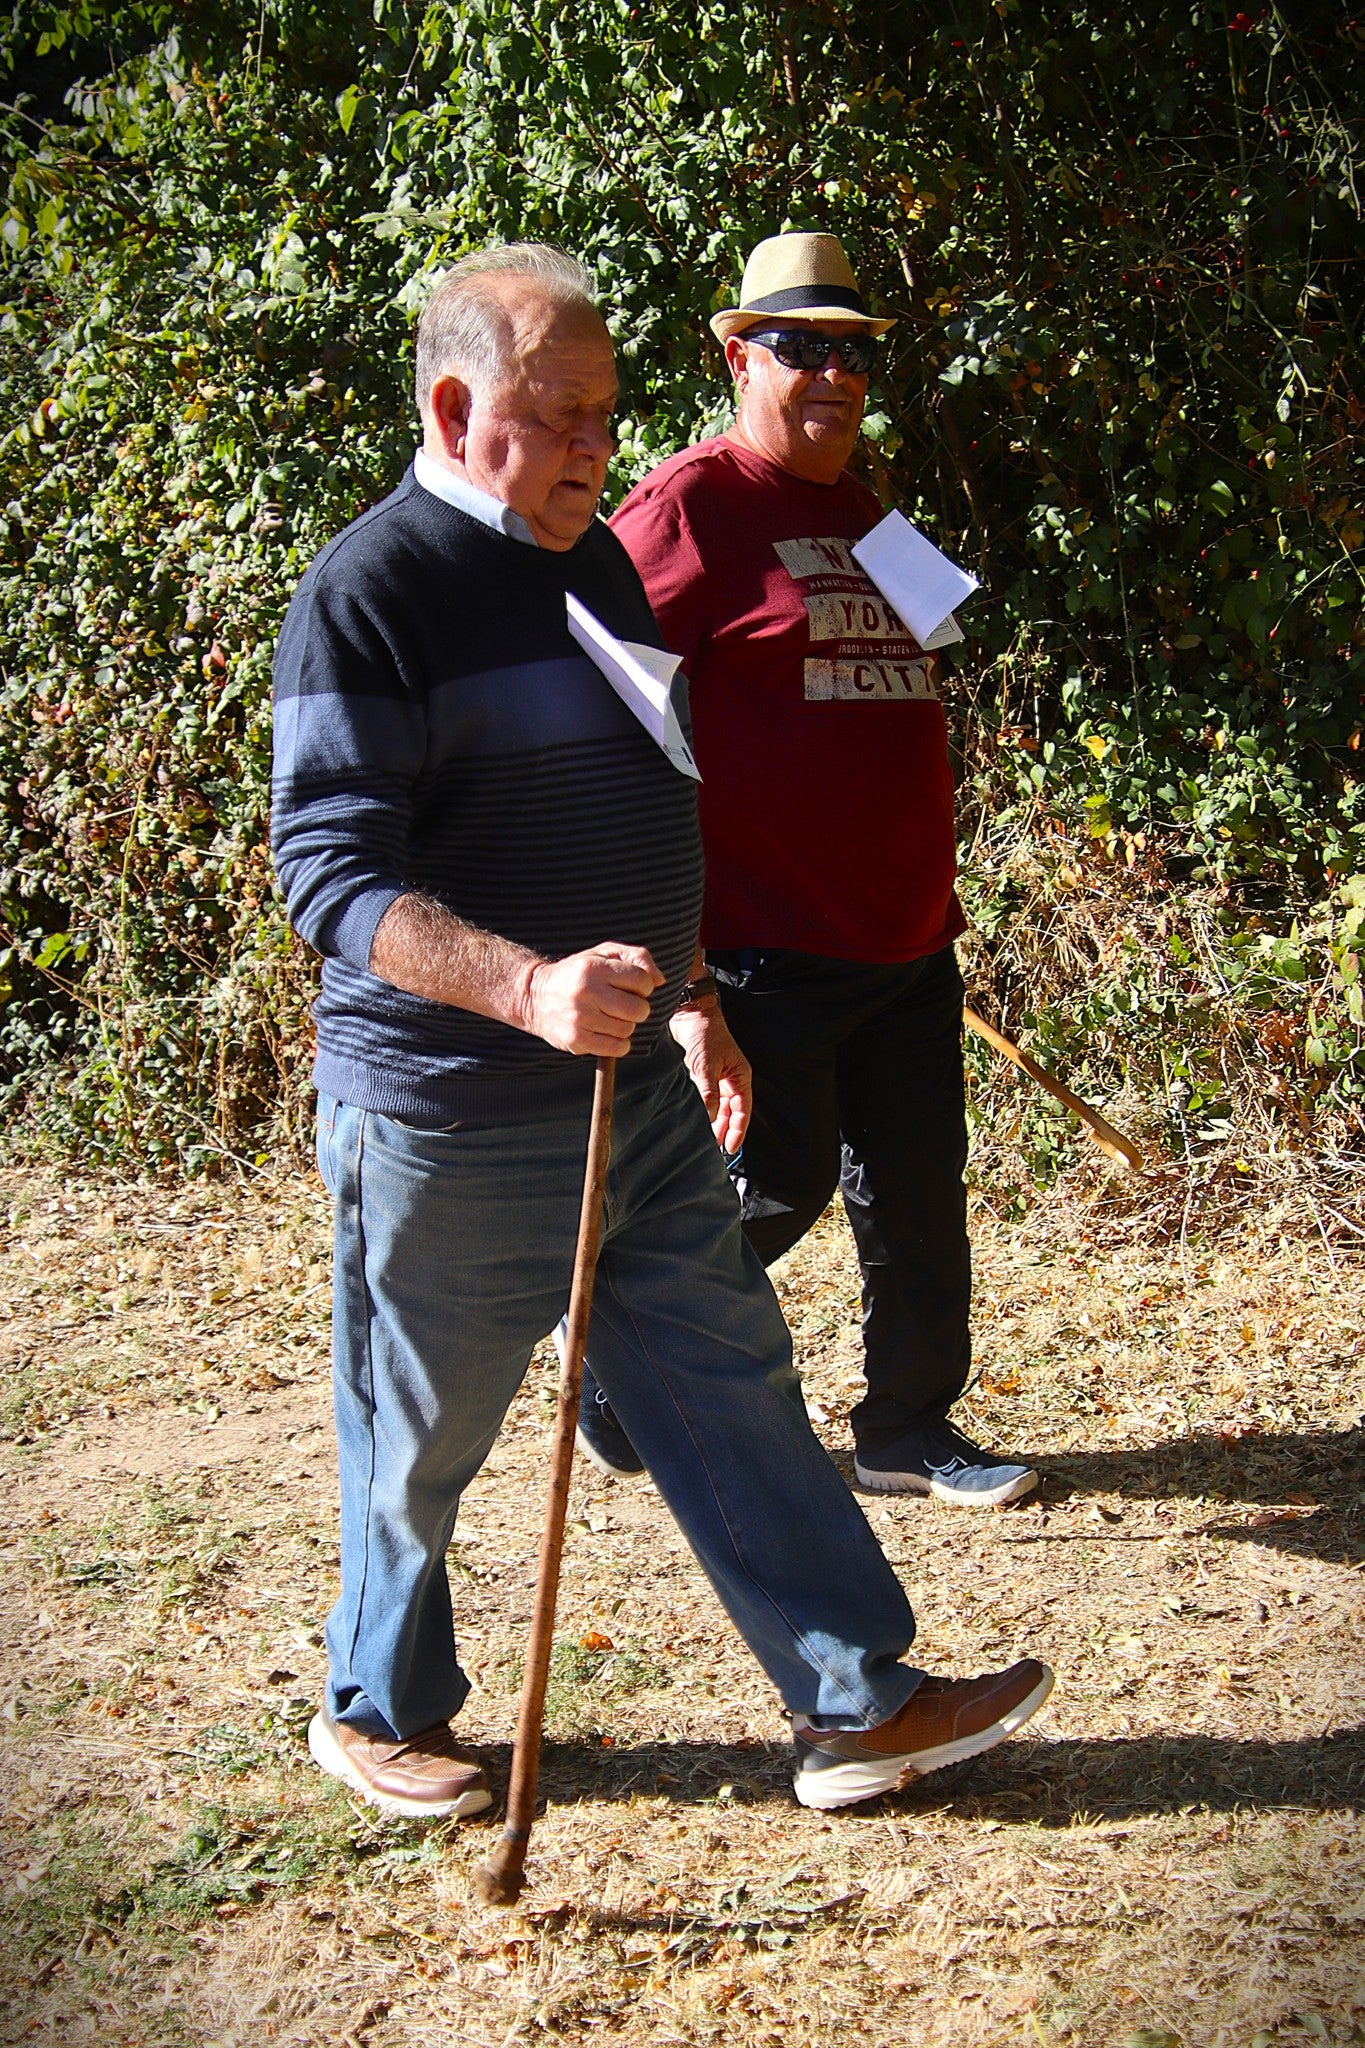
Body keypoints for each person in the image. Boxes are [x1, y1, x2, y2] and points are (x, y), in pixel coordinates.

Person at [270, 241, 1052, 1820]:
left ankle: (853, 1700)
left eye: (606, 416)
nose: (591, 451)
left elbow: (649, 792)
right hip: (449, 1107)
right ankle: (375, 1703)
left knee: (728, 1374)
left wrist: (692, 1003)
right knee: (419, 1436)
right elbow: (328, 873)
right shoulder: (372, 593)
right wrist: (528, 988)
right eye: (556, 416)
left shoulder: (591, 567)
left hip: (632, 1083)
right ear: (452, 403)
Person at [577, 231, 1038, 1509]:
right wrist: (675, 967)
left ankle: (906, 1427)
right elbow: (607, 710)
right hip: (762, 942)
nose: (831, 373)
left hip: (904, 935)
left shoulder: (869, 514)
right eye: (801, 347)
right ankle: (620, 1362)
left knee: (916, 1192)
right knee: (772, 1182)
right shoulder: (688, 507)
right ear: (740, 354)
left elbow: (921, 665)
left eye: (852, 351)